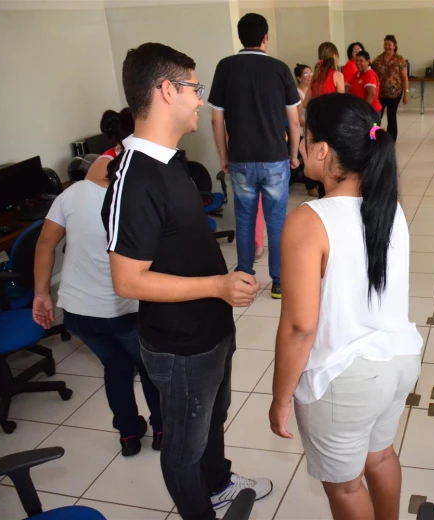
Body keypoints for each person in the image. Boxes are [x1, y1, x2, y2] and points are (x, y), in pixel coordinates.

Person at [102, 42, 271, 519]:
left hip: (211, 330)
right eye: (195, 88)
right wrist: (216, 287)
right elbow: (128, 280)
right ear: (165, 90)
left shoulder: (171, 161)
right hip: (179, 348)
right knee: (183, 446)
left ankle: (217, 484)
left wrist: (220, 287)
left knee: (213, 422)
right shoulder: (134, 178)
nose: (201, 99)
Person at [269, 94, 422, 519]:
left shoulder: (309, 219)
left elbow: (300, 326)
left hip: (346, 377)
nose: (298, 146)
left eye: (304, 138)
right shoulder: (389, 208)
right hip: (398, 361)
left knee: (348, 487)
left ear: (322, 149)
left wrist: (281, 398)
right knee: (380, 457)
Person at [33, 108, 162, 458]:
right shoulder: (135, 195)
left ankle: (129, 435)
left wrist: (41, 294)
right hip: (124, 309)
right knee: (149, 370)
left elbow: (45, 243)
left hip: (79, 313)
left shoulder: (72, 194)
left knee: (116, 368)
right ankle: (162, 429)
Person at [209, 13, 300, 300]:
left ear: (240, 37)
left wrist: (224, 156)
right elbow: (294, 121)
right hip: (275, 158)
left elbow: (216, 119)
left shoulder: (225, 67)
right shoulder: (280, 68)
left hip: (241, 159)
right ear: (265, 38)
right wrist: (294, 155)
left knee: (245, 221)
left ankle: (245, 277)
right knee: (276, 222)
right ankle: (279, 283)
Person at [293, 63, 324, 198]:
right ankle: (310, 186)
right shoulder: (297, 93)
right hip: (303, 130)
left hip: (313, 128)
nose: (309, 76)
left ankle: (316, 182)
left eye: (310, 73)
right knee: (307, 158)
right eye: (305, 73)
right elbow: (297, 117)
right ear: (299, 78)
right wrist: (311, 125)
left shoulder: (312, 89)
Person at [372, 35, 409, 142]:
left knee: (391, 116)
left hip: (395, 94)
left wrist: (406, 94)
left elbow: (405, 77)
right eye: (385, 44)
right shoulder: (377, 60)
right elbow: (372, 76)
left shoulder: (400, 60)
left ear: (394, 46)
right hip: (380, 94)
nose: (387, 47)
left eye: (389, 45)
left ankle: (391, 139)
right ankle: (374, 136)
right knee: (376, 116)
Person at [348, 50, 382, 114]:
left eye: (361, 61)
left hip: (370, 112)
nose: (358, 63)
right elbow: (349, 87)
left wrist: (363, 110)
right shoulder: (358, 74)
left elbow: (371, 94)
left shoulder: (370, 74)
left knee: (372, 124)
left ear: (368, 61)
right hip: (360, 110)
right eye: (357, 61)